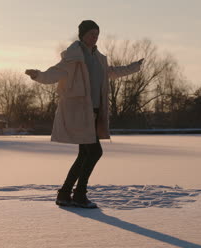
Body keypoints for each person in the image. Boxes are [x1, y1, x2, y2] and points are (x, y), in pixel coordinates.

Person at [25, 20, 144, 208]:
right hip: (81, 113)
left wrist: (133, 67)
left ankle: (65, 194)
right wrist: (37, 75)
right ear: (82, 35)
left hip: (95, 113)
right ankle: (79, 194)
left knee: (84, 154)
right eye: (91, 34)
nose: (94, 37)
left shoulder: (98, 58)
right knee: (95, 152)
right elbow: (54, 73)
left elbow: (111, 72)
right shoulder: (74, 57)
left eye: (97, 34)